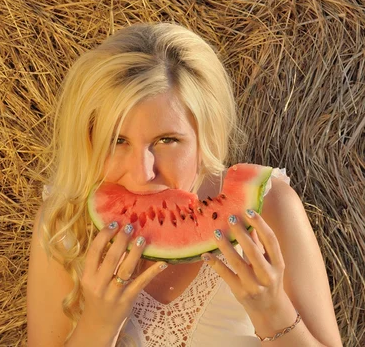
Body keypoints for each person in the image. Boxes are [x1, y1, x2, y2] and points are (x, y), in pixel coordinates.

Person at [27, 23, 342, 346]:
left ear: (207, 136)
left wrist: (272, 311)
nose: (143, 172)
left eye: (167, 140)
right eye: (117, 140)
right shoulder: (64, 225)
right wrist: (98, 323)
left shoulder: (269, 204)